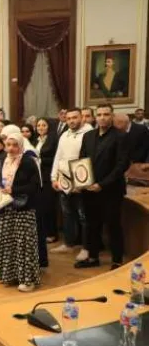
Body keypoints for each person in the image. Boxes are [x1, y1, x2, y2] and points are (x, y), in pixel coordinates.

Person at [77, 104, 128, 270]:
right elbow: (82, 160)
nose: (102, 117)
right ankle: (93, 257)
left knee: (113, 225)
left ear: (112, 116)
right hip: (89, 189)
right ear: (94, 117)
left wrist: (102, 184)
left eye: (106, 114)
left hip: (111, 190)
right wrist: (80, 182)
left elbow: (122, 165)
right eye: (99, 114)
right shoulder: (88, 136)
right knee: (92, 225)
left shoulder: (120, 136)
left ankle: (117, 260)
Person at [0, 133, 41, 292]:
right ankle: (10, 275)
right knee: (8, 241)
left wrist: (13, 190)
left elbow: (34, 186)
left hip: (24, 208)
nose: (11, 148)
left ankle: (28, 280)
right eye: (8, 145)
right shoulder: (3, 160)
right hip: (6, 206)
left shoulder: (28, 161)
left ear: (21, 146)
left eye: (15, 145)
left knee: (24, 244)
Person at [50, 108, 92, 262]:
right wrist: (53, 177)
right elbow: (58, 157)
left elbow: (89, 158)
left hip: (82, 181)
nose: (71, 121)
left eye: (75, 117)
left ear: (82, 118)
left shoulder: (89, 133)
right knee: (67, 214)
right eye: (68, 118)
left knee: (84, 217)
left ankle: (87, 248)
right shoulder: (64, 135)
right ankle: (68, 244)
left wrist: (82, 183)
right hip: (64, 181)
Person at [34, 118, 59, 243]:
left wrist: (40, 160)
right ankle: (42, 232)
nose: (41, 127)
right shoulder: (35, 140)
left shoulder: (53, 140)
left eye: (44, 125)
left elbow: (56, 158)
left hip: (48, 176)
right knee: (41, 206)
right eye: (38, 125)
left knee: (49, 206)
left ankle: (52, 233)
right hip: (38, 177)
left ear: (49, 127)